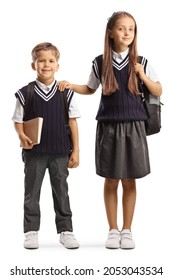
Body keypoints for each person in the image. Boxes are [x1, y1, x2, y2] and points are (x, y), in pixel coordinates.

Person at [58, 11, 162, 249]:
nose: (127, 33)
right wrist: (69, 85)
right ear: (111, 32)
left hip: (134, 126)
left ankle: (127, 230)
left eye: (131, 29)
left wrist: (142, 75)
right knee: (111, 179)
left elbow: (158, 90)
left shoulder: (141, 62)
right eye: (122, 28)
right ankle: (112, 230)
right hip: (108, 126)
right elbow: (89, 88)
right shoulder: (99, 62)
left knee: (129, 179)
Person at [12, 42, 80, 249]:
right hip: (35, 153)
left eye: (51, 61)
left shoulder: (65, 93)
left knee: (61, 191)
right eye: (41, 60)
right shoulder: (26, 93)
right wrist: (22, 136)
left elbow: (73, 121)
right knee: (32, 191)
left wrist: (75, 150)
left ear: (57, 65)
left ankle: (66, 230)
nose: (46, 64)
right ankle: (31, 231)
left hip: (60, 152)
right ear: (34, 65)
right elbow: (18, 120)